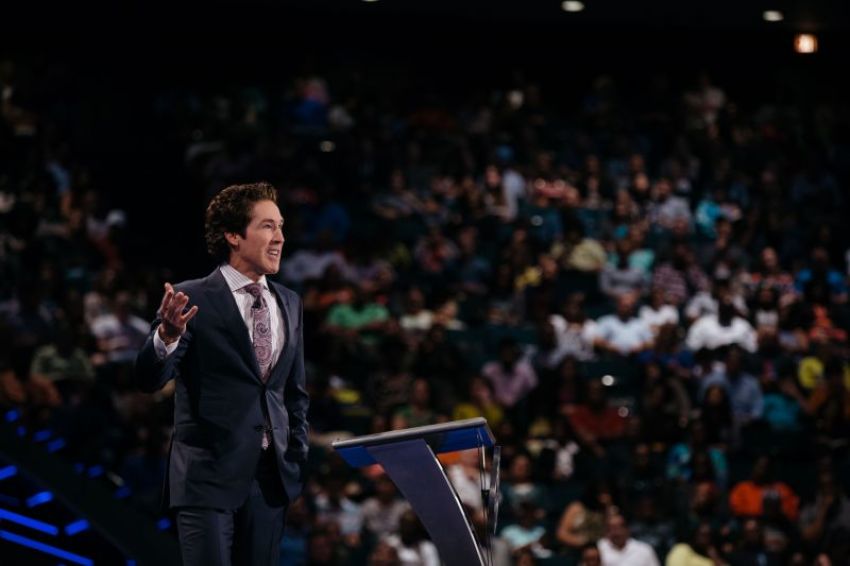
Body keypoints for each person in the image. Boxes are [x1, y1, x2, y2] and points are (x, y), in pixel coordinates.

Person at [134, 182, 309, 566]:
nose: (280, 237)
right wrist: (166, 336)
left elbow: (293, 392)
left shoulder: (290, 302)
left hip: (270, 482)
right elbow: (148, 379)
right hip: (207, 478)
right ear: (233, 235)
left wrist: (295, 451)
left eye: (280, 226)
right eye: (267, 226)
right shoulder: (190, 298)